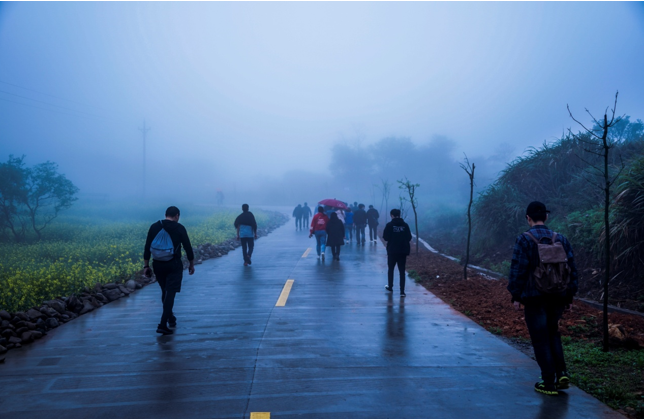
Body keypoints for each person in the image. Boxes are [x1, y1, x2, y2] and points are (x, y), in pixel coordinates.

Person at [507, 201, 578, 396]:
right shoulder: (560, 239)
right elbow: (571, 269)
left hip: (534, 297)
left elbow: (518, 270)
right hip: (558, 296)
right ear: (546, 217)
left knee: (540, 339)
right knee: (553, 333)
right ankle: (561, 374)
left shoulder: (524, 239)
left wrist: (516, 295)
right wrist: (569, 296)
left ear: (528, 218)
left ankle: (548, 382)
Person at [143, 206, 195, 335]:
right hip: (174, 264)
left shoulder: (154, 226)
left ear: (165, 214)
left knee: (164, 291)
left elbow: (147, 247)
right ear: (177, 215)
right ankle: (162, 324)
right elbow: (187, 247)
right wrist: (191, 264)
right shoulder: (179, 228)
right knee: (170, 293)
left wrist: (146, 266)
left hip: (158, 264)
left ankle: (170, 317)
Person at [382, 208, 412, 297]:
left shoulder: (389, 225)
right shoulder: (405, 225)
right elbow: (409, 237)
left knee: (391, 269)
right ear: (399, 215)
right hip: (403, 251)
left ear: (392, 215)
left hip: (392, 250)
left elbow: (386, 237)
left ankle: (390, 287)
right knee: (402, 271)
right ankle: (402, 291)